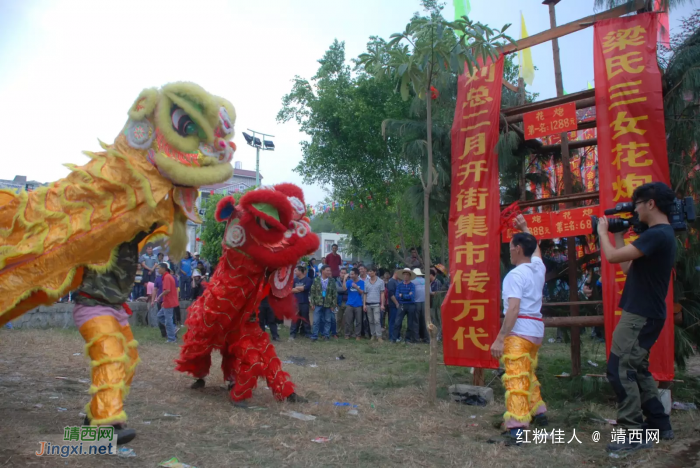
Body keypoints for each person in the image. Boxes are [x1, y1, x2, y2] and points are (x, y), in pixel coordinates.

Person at [597, 182, 677, 451]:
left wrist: (602, 232)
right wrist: (618, 234)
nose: (636, 210)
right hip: (646, 313)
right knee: (637, 369)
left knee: (620, 370)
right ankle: (658, 424)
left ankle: (631, 432)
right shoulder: (661, 235)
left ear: (651, 204)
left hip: (639, 315)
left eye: (638, 204)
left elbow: (609, 258)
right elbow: (627, 267)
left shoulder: (658, 234)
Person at [489, 215, 547, 446]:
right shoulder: (537, 269)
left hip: (519, 331)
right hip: (535, 331)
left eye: (512, 247)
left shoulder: (514, 275)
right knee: (528, 373)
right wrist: (525, 228)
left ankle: (517, 428)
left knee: (515, 379)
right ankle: (539, 411)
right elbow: (537, 252)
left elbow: (513, 308)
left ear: (519, 249)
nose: (509, 251)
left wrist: (501, 337)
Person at [309, 265, 338, 341]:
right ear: (322, 270)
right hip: (318, 303)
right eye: (327, 270)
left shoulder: (332, 280)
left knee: (328, 320)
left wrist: (333, 304)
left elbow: (334, 294)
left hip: (328, 304)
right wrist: (312, 303)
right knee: (316, 320)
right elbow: (312, 292)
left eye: (330, 271)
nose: (329, 272)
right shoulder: (316, 280)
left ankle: (326, 335)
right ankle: (315, 335)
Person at [155, 263, 178, 343]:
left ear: (163, 269)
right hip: (167, 301)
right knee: (159, 316)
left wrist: (159, 296)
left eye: (159, 268)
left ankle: (172, 338)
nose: (158, 270)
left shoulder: (167, 277)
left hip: (169, 302)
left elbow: (167, 290)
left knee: (168, 321)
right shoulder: (166, 276)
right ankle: (174, 328)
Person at [394, 268, 417, 343]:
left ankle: (408, 339)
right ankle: (395, 338)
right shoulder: (399, 285)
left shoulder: (412, 285)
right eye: (404, 274)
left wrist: (402, 295)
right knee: (398, 322)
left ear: (410, 276)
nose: (406, 276)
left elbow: (412, 296)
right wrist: (406, 295)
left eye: (407, 275)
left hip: (410, 305)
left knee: (410, 323)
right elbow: (397, 295)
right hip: (402, 305)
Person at [290, 266, 313, 339]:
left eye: (296, 271)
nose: (295, 272)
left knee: (305, 318)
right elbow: (290, 290)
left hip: (304, 302)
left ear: (300, 271)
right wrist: (301, 288)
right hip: (295, 302)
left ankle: (307, 333)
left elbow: (306, 288)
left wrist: (298, 288)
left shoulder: (308, 279)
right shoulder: (294, 280)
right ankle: (293, 334)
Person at [363, 266, 385, 342]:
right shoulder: (366, 282)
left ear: (375, 272)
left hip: (376, 304)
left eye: (371, 271)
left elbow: (382, 293)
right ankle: (373, 335)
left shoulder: (380, 281)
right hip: (368, 303)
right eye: (368, 271)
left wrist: (382, 304)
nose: (369, 273)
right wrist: (364, 304)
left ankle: (379, 336)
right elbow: (365, 294)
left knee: (377, 320)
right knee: (371, 320)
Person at [344, 268, 365, 340]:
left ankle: (357, 335)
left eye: (352, 274)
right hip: (349, 304)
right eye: (350, 274)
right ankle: (347, 334)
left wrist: (356, 287)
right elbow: (344, 288)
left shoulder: (362, 282)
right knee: (348, 320)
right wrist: (344, 279)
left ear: (356, 274)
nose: (351, 275)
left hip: (358, 304)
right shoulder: (349, 282)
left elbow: (362, 292)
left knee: (358, 321)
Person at [412, 268, 429, 344]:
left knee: (415, 321)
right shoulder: (426, 281)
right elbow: (430, 291)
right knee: (425, 321)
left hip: (416, 302)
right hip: (425, 303)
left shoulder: (413, 281)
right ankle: (426, 338)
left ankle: (416, 338)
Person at [386, 269, 401, 342]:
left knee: (397, 321)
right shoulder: (391, 282)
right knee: (392, 321)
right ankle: (392, 336)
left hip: (397, 304)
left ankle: (397, 335)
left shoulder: (397, 281)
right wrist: (396, 303)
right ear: (395, 273)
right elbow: (391, 294)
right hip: (393, 305)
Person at [429, 269, 443, 341]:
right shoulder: (430, 283)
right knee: (432, 320)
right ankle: (434, 334)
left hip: (436, 304)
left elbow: (436, 293)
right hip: (431, 304)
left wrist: (429, 292)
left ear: (431, 275)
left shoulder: (437, 282)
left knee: (437, 319)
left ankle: (439, 335)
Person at [336, 267, 349, 337]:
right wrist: (345, 289)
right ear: (339, 273)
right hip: (340, 302)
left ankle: (346, 332)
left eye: (345, 273)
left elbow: (349, 290)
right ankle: (337, 332)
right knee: (339, 318)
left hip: (348, 302)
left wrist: (344, 289)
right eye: (342, 273)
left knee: (347, 318)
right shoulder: (336, 281)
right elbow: (338, 290)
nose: (343, 274)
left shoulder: (350, 281)